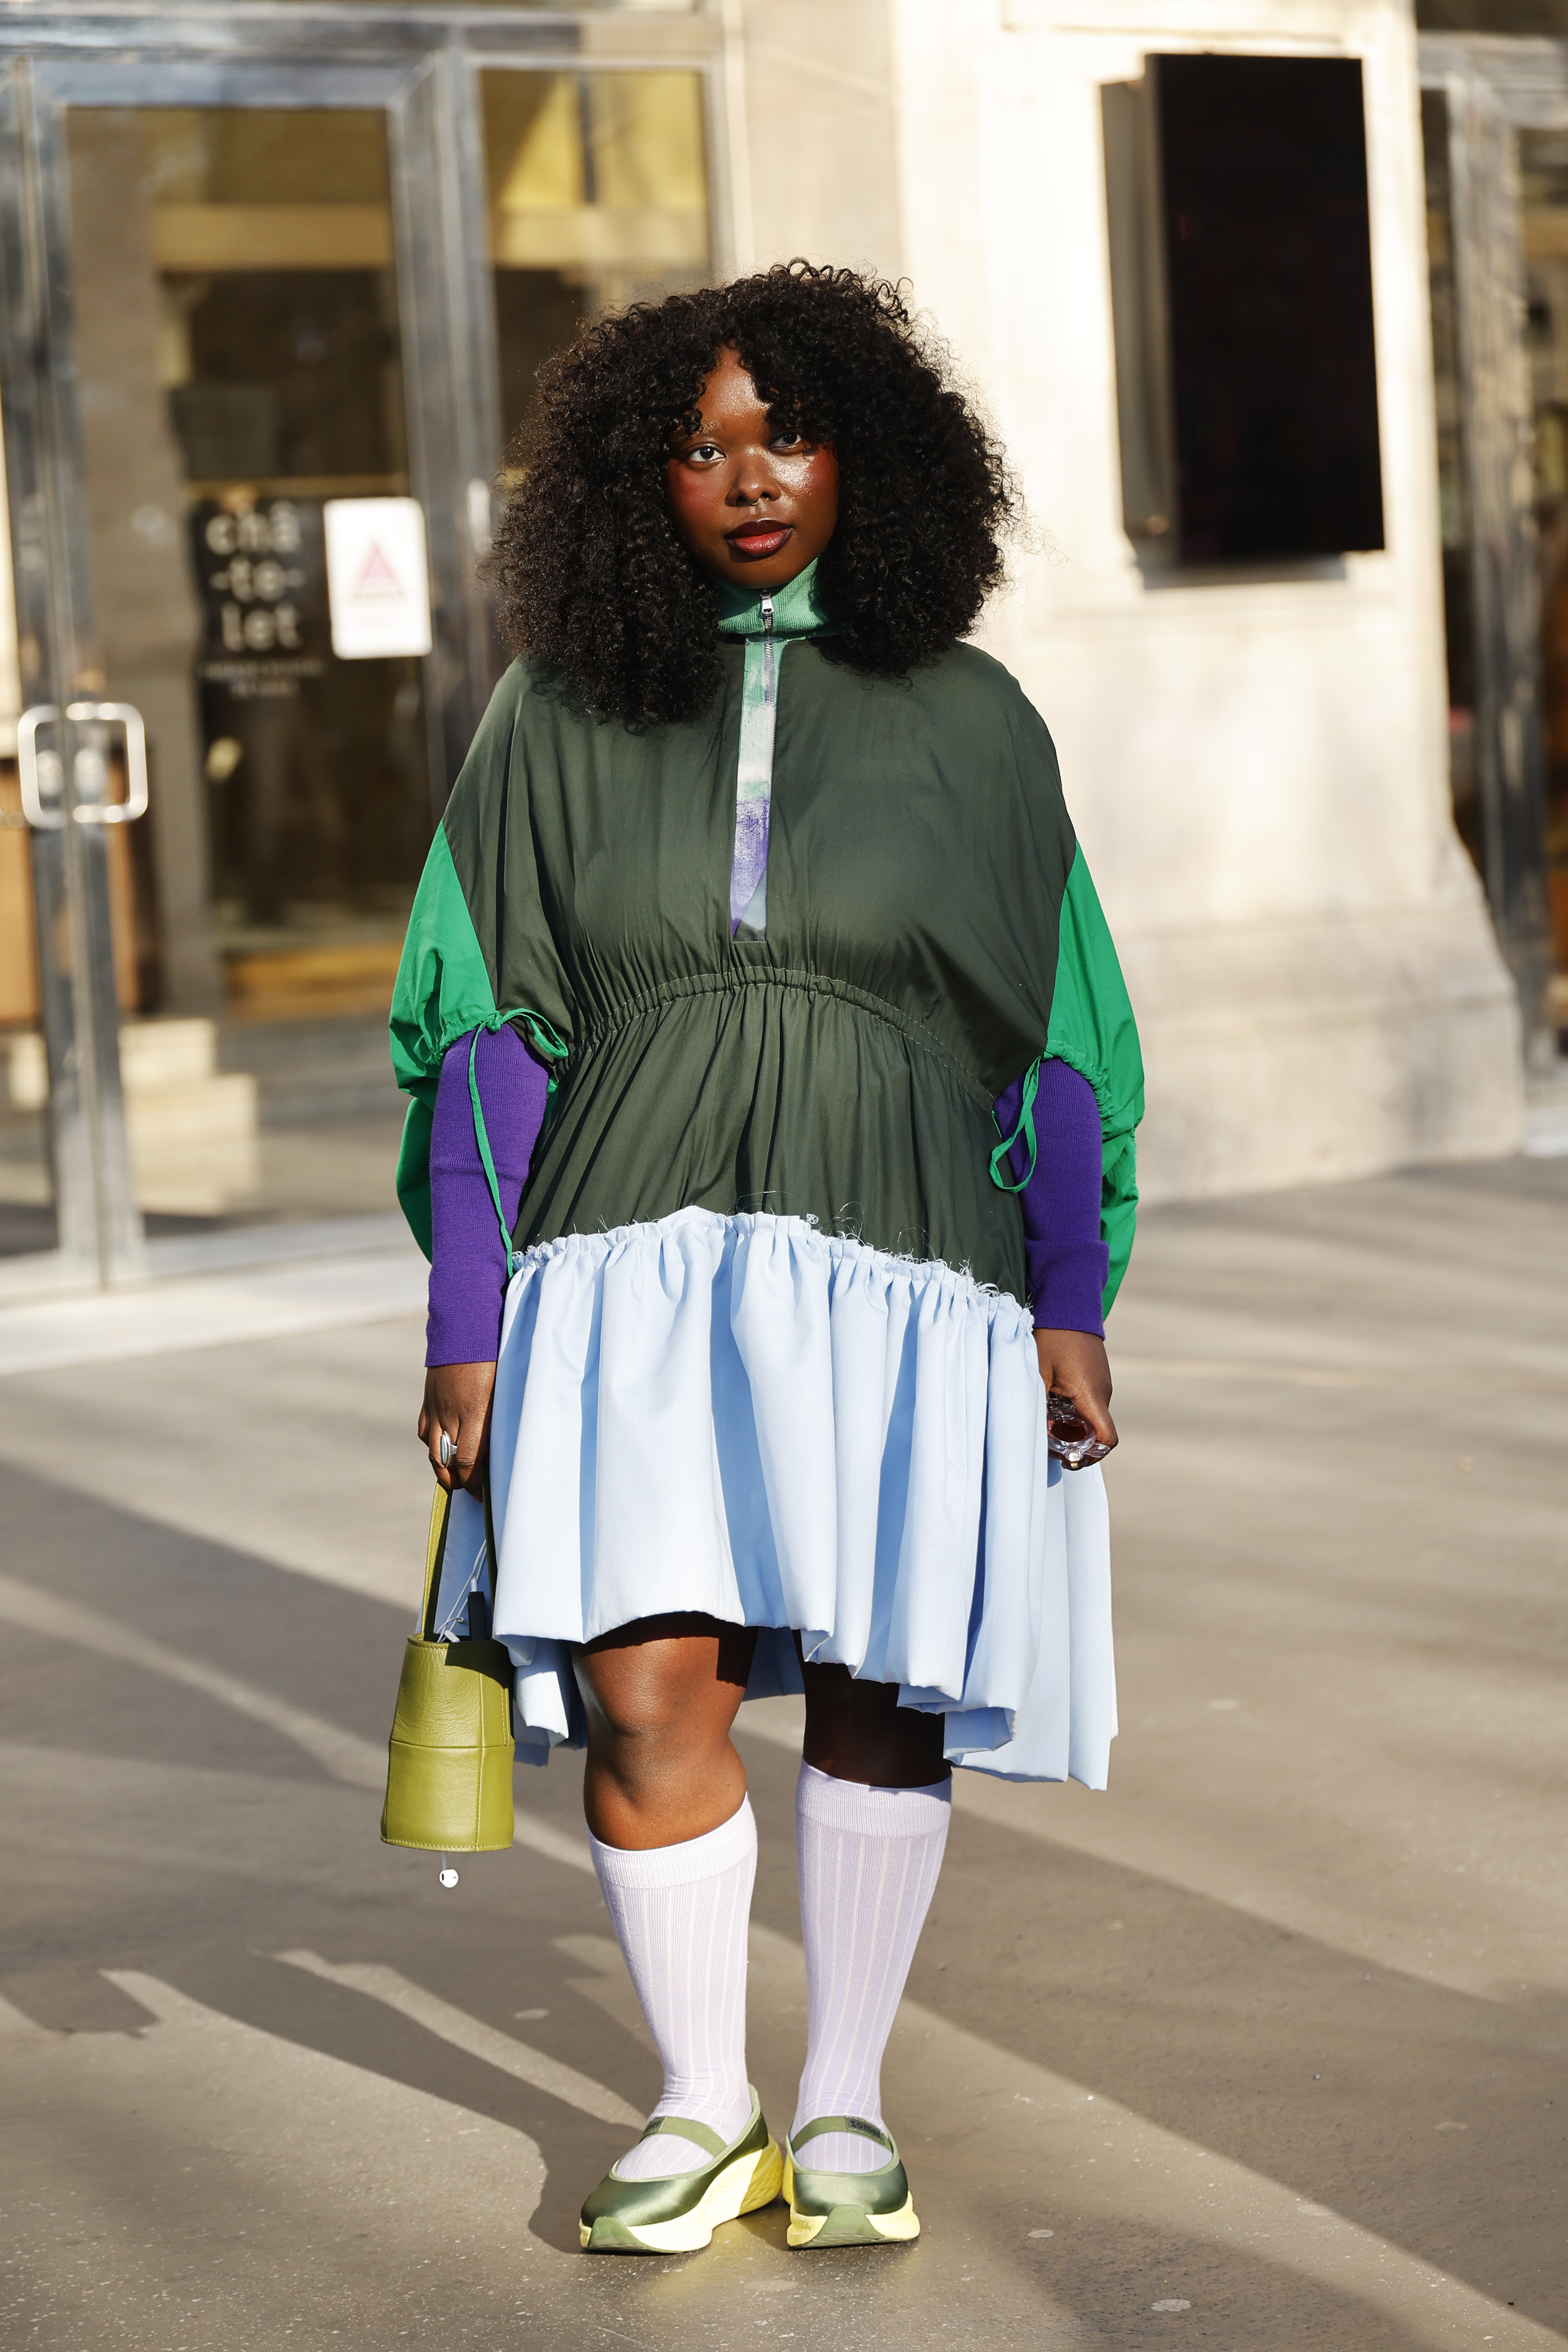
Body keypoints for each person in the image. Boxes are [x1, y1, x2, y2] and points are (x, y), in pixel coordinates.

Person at [390, 262, 1143, 2256]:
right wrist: (467, 1324)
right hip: (623, 1271)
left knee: (886, 1686)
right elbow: (478, 1037)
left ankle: (844, 2100)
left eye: (785, 436)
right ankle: (700, 2101)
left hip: (908, 1263)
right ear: (632, 482)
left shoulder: (975, 723)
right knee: (647, 1689)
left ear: (863, 459)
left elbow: (1059, 1043)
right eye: (699, 444)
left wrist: (1071, 1301)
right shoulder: (549, 717)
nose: (745, 478)